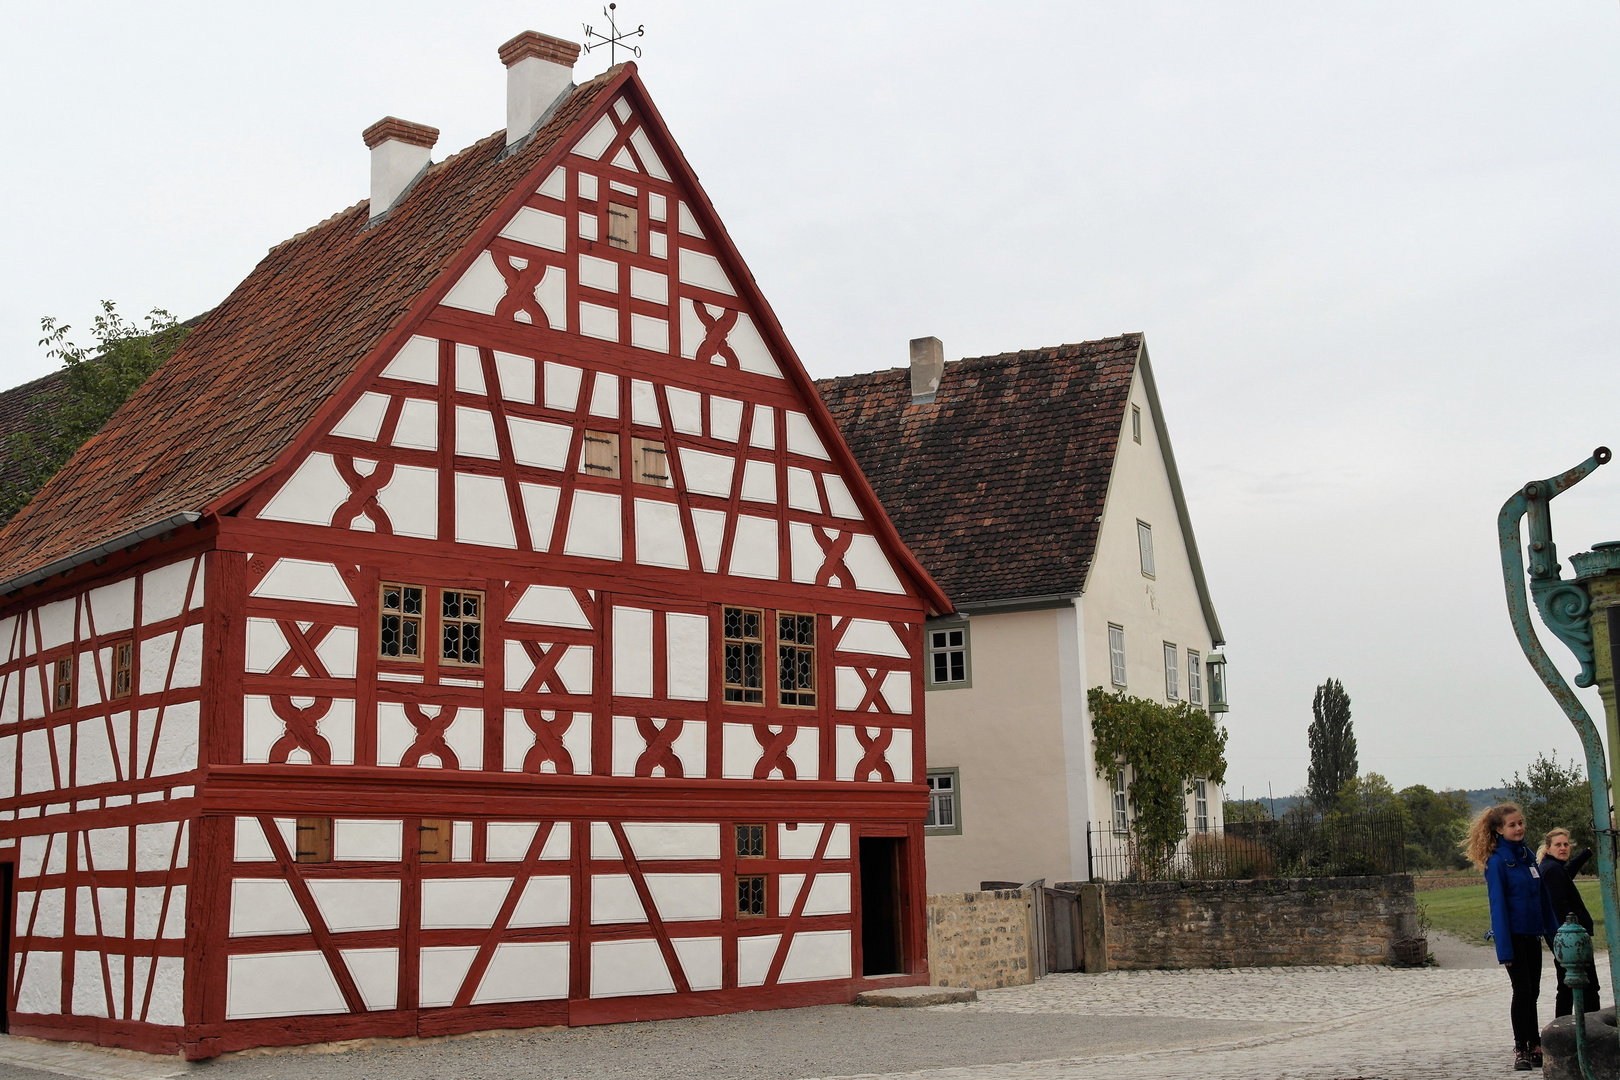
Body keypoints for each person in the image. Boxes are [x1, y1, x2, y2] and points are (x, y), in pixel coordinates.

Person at [1467, 803, 1559, 1071]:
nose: (1518, 828)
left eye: (1520, 823)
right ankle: (1521, 1048)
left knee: (1534, 992)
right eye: (1512, 825)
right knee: (1522, 991)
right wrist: (1504, 950)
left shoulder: (1528, 856)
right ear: (1498, 829)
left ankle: (1535, 1044)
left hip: (1533, 934)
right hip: (1514, 936)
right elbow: (1497, 906)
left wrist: (1555, 938)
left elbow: (1543, 901)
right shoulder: (1497, 862)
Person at [1537, 827, 1601, 1017]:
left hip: (1564, 939)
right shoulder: (1552, 870)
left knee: (1567, 986)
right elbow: (1557, 905)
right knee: (1587, 986)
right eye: (1558, 845)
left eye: (1566, 844)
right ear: (1548, 848)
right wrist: (1568, 936)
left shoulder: (1552, 867)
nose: (1563, 848)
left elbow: (1568, 871)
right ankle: (1590, 1031)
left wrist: (1588, 852)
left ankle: (1563, 1028)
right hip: (1570, 941)